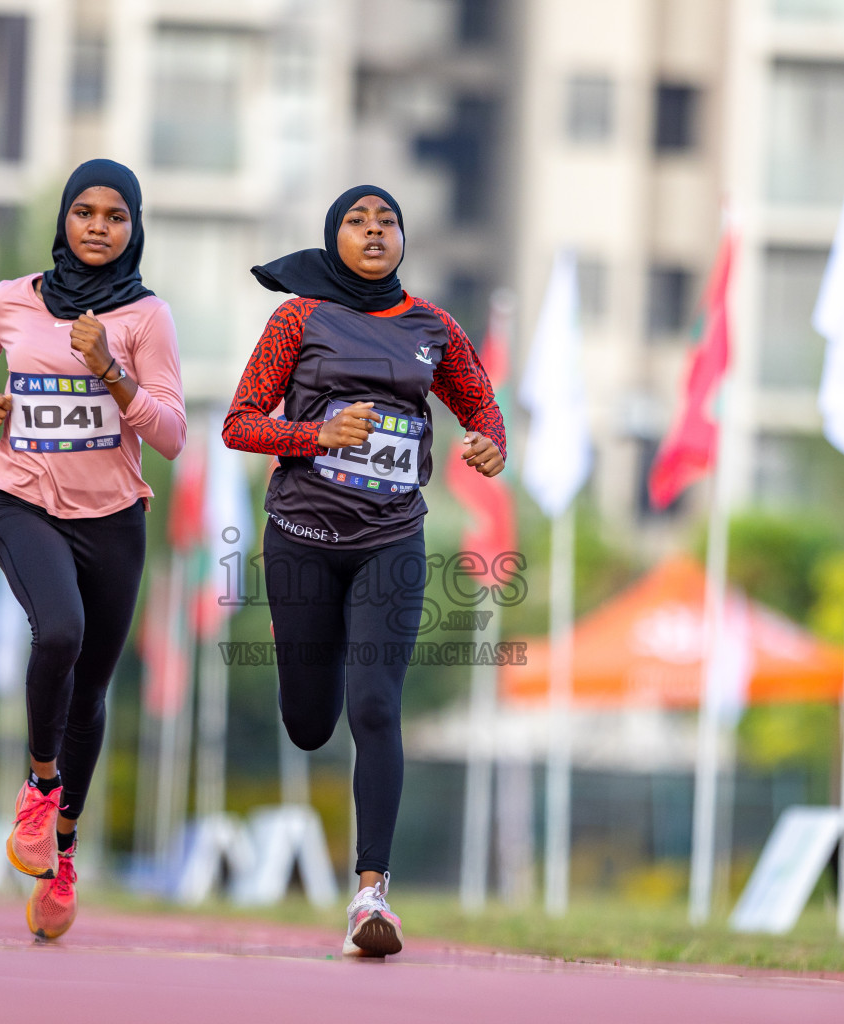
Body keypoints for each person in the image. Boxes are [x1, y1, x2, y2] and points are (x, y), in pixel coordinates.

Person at [222, 185, 505, 957]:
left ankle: (371, 897)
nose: (375, 232)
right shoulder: (298, 318)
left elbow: (483, 409)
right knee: (312, 724)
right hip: (303, 539)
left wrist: (489, 445)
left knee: (376, 706)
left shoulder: (432, 325)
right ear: (332, 237)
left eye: (388, 222)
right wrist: (316, 434)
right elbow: (239, 423)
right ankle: (311, 650)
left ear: (405, 239)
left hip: (392, 539)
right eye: (357, 221)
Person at [0, 159, 185, 940]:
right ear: (63, 220)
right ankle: (38, 786)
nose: (96, 226)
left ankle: (65, 850)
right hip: (24, 499)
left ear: (133, 229)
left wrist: (111, 371)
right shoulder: (12, 300)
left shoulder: (147, 317)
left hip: (115, 516)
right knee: (59, 631)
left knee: (90, 693)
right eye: (83, 211)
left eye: (114, 216)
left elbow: (173, 436)